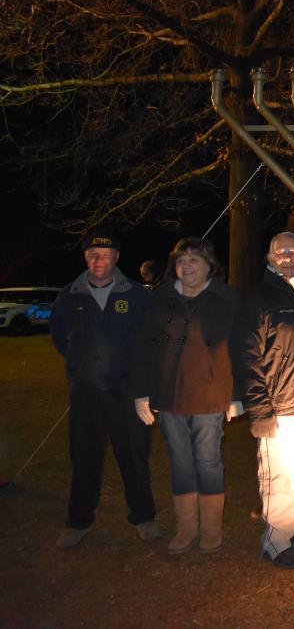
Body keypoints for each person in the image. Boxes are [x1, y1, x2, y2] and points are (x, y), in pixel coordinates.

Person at [130, 237, 242, 555]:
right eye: (181, 260)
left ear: (210, 265)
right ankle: (186, 528)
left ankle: (210, 529)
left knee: (207, 461)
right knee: (180, 462)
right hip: (169, 395)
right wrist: (140, 394)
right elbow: (142, 347)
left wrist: (236, 395)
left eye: (195, 259)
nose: (187, 265)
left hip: (210, 393)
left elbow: (238, 348)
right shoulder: (161, 298)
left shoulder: (226, 298)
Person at [49, 229, 158, 549]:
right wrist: (82, 365)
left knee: (134, 456)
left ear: (116, 258)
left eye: (106, 255)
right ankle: (78, 520)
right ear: (85, 257)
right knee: (84, 457)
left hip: (126, 391)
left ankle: (144, 516)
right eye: (93, 254)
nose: (99, 260)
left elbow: (149, 341)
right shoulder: (69, 295)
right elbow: (60, 337)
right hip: (85, 392)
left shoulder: (137, 295)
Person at [234, 231, 294, 569]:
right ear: (270, 257)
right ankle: (277, 541)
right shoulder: (259, 299)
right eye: (281, 251)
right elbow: (248, 357)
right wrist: (260, 409)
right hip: (280, 410)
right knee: (281, 481)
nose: (288, 256)